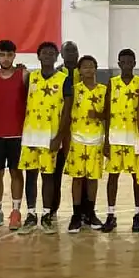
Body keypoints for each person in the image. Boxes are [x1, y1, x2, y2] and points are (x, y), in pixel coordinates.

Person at [20, 42, 71, 234]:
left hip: (50, 137)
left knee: (48, 177)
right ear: (39, 56)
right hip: (30, 136)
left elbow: (67, 111)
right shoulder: (30, 78)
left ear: (57, 57)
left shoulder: (64, 79)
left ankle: (47, 215)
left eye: (52, 53)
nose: (48, 55)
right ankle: (31, 214)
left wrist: (59, 137)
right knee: (30, 176)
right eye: (44, 53)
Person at [0, 39, 27, 231]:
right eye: (2, 54)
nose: (6, 58)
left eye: (9, 54)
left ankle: (16, 211)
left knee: (16, 172)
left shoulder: (23, 75)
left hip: (17, 133)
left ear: (14, 56)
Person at [104, 49, 139, 234]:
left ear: (134, 63)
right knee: (113, 177)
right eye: (123, 62)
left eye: (130, 62)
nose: (127, 65)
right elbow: (107, 112)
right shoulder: (112, 83)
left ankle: (137, 214)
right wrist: (106, 140)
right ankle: (110, 214)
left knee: (137, 178)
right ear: (119, 64)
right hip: (115, 138)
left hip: (134, 138)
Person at [66, 56, 108, 233]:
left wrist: (98, 115)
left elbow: (108, 114)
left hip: (96, 140)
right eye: (85, 67)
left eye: (91, 66)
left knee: (92, 179)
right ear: (79, 71)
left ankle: (90, 212)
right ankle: (76, 215)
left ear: (96, 69)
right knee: (77, 179)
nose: (89, 69)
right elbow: (66, 114)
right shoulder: (75, 90)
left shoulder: (103, 90)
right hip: (77, 139)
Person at [49, 41, 81, 222]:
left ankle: (83, 212)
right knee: (55, 172)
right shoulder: (56, 74)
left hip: (81, 130)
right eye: (67, 51)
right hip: (60, 130)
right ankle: (52, 209)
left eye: (74, 50)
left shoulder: (85, 72)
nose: (71, 54)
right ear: (61, 54)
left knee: (82, 174)